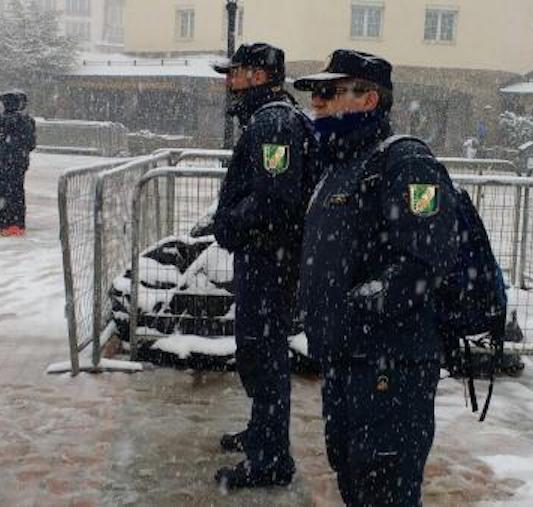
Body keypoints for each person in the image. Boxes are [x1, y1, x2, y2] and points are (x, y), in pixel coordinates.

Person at [295, 49, 460, 506]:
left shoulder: (408, 165)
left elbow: (428, 259)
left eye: (329, 92)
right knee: (353, 476)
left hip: (389, 367)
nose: (318, 102)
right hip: (348, 361)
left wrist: (358, 310)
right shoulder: (341, 164)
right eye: (315, 93)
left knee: (384, 487)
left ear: (368, 99)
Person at [210, 42, 316, 490]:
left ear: (256, 76)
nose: (228, 83)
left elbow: (275, 197)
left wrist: (230, 222)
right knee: (258, 353)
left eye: (233, 74)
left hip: (270, 259)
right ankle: (262, 433)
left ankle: (272, 459)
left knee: (264, 356)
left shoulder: (274, 124)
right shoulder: (267, 118)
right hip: (267, 256)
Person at [0, 90, 36, 236]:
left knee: (15, 192)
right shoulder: (11, 120)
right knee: (3, 191)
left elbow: (28, 142)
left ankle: (17, 223)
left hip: (16, 162)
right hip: (5, 161)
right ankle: (0, 221)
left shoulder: (21, 119)